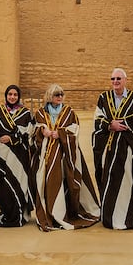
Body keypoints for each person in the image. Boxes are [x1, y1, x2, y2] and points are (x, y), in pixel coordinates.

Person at [31, 83, 100, 231]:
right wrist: (43, 131)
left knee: (66, 182)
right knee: (50, 182)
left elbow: (75, 129)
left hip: (65, 155)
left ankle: (65, 212)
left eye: (62, 95)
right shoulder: (41, 113)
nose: (60, 97)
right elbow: (35, 128)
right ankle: (52, 212)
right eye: (57, 95)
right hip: (47, 156)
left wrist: (61, 133)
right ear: (50, 96)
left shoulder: (69, 112)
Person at [92, 68, 133, 229]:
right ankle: (110, 216)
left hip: (129, 147)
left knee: (130, 181)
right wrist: (110, 124)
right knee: (111, 180)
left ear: (125, 80)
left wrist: (122, 123)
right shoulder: (103, 98)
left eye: (118, 78)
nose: (115, 82)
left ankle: (131, 215)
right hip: (109, 149)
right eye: (113, 79)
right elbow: (97, 118)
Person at [0, 84, 34, 227]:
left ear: (19, 97)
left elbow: (29, 131)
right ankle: (6, 212)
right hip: (0, 155)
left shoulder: (25, 113)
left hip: (19, 156)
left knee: (19, 184)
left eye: (15, 95)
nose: (12, 97)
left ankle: (19, 215)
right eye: (10, 94)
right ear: (6, 96)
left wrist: (12, 138)